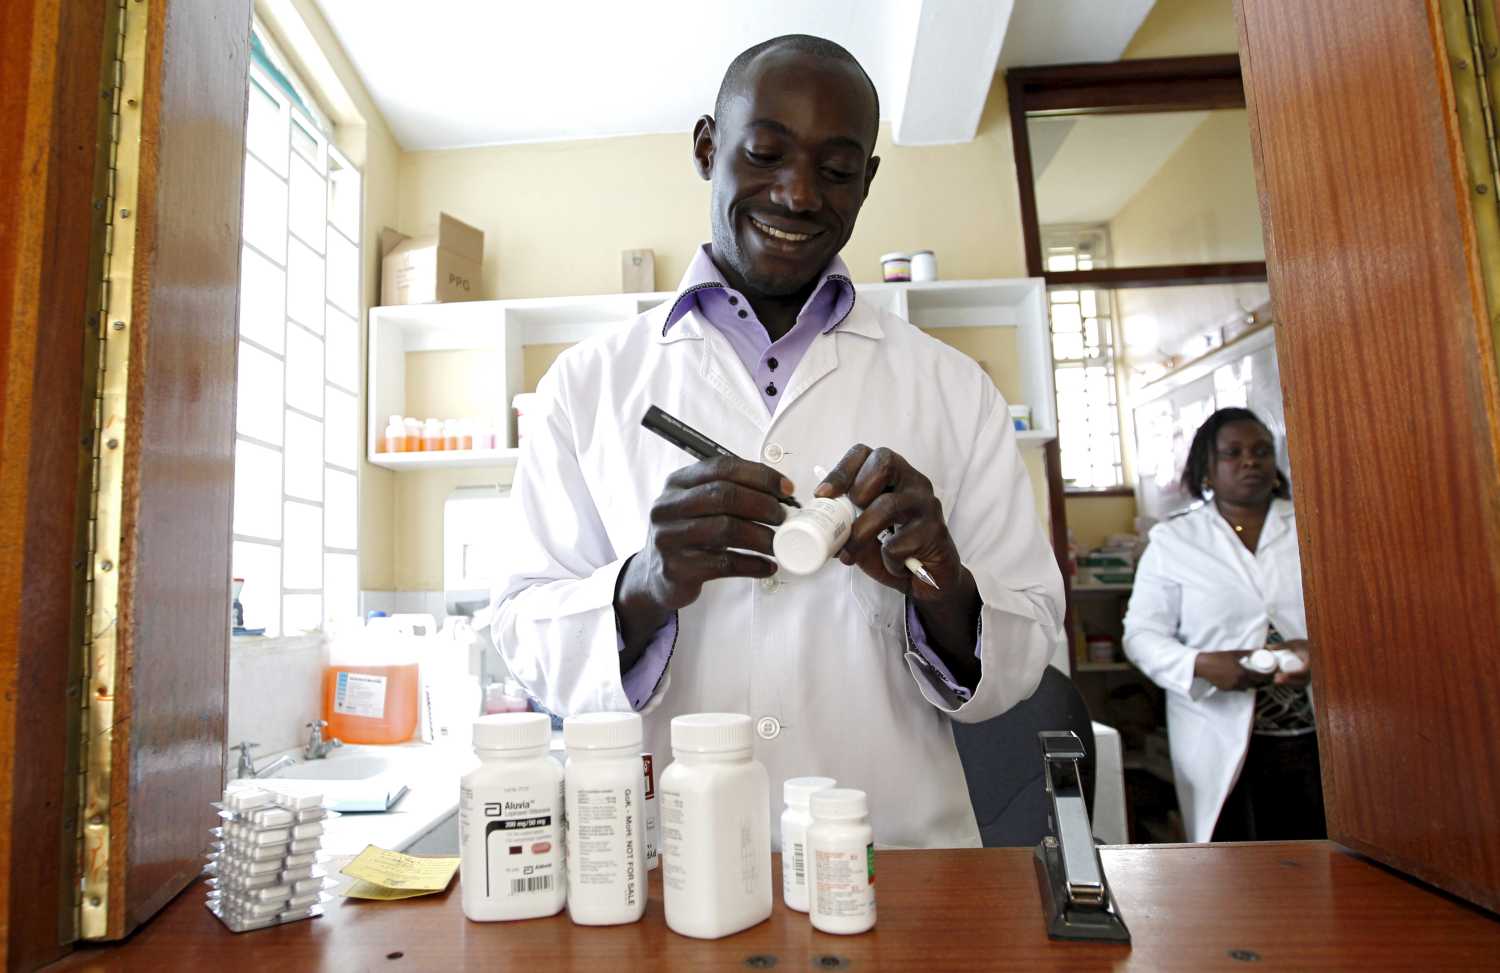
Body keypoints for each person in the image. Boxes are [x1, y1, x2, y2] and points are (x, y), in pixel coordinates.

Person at [489, 34, 1063, 848]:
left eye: (834, 170)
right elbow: (522, 632)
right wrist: (647, 583)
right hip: (668, 861)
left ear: (865, 181)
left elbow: (1028, 640)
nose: (797, 195)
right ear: (706, 148)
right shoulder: (586, 387)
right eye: (765, 153)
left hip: (892, 858)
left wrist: (940, 580)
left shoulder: (954, 388)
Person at [1123, 407, 1324, 843]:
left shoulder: (1315, 524)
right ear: (1207, 471)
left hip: (1317, 733)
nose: (1250, 461)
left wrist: (1322, 653)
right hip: (1220, 730)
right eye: (1232, 453)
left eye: (1261, 451)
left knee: (1328, 856)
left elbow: (1357, 612)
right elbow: (1141, 636)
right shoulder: (1175, 540)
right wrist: (1200, 663)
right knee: (1237, 866)